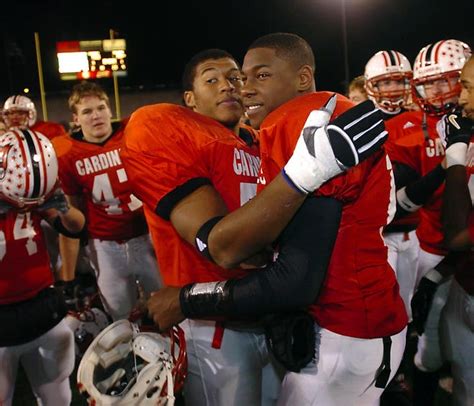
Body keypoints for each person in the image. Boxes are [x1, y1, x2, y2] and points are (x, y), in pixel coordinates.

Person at [122, 33, 406, 406]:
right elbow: (224, 246)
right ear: (188, 99)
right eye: (214, 79)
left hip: (291, 314)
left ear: (302, 77)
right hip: (222, 327)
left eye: (244, 77)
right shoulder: (167, 126)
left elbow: (287, 267)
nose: (235, 87)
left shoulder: (281, 130)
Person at [387, 39, 471, 405]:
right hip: (424, 245)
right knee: (421, 341)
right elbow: (397, 204)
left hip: (457, 254)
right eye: (428, 83)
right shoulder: (404, 128)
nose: (438, 92)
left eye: (451, 81)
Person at [52, 81, 161, 321]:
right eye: (87, 111)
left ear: (110, 109)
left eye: (100, 108)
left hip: (149, 235)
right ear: (76, 119)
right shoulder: (69, 153)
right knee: (120, 316)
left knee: (167, 307)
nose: (96, 116)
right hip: (105, 246)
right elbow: (74, 216)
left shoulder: (131, 132)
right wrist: (67, 275)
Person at [0, 129, 85, 406]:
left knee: (58, 391)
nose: (27, 206)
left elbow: (75, 227)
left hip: (42, 305)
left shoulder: (28, 184)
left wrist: (62, 206)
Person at [436, 55, 474, 406]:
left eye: (468, 87)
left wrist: (456, 156)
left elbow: (459, 235)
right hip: (464, 283)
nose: (460, 98)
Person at [2, 94, 67, 140]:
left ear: (30, 114)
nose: (14, 117)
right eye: (11, 113)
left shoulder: (50, 129)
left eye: (20, 113)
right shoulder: (5, 134)